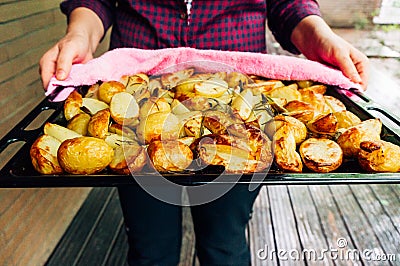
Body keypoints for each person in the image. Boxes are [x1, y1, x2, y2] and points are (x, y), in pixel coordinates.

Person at [39, 1, 369, 265]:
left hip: (241, 100)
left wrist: (321, 38)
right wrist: (79, 35)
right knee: (150, 248)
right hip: (138, 104)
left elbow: (289, 5)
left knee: (225, 245)